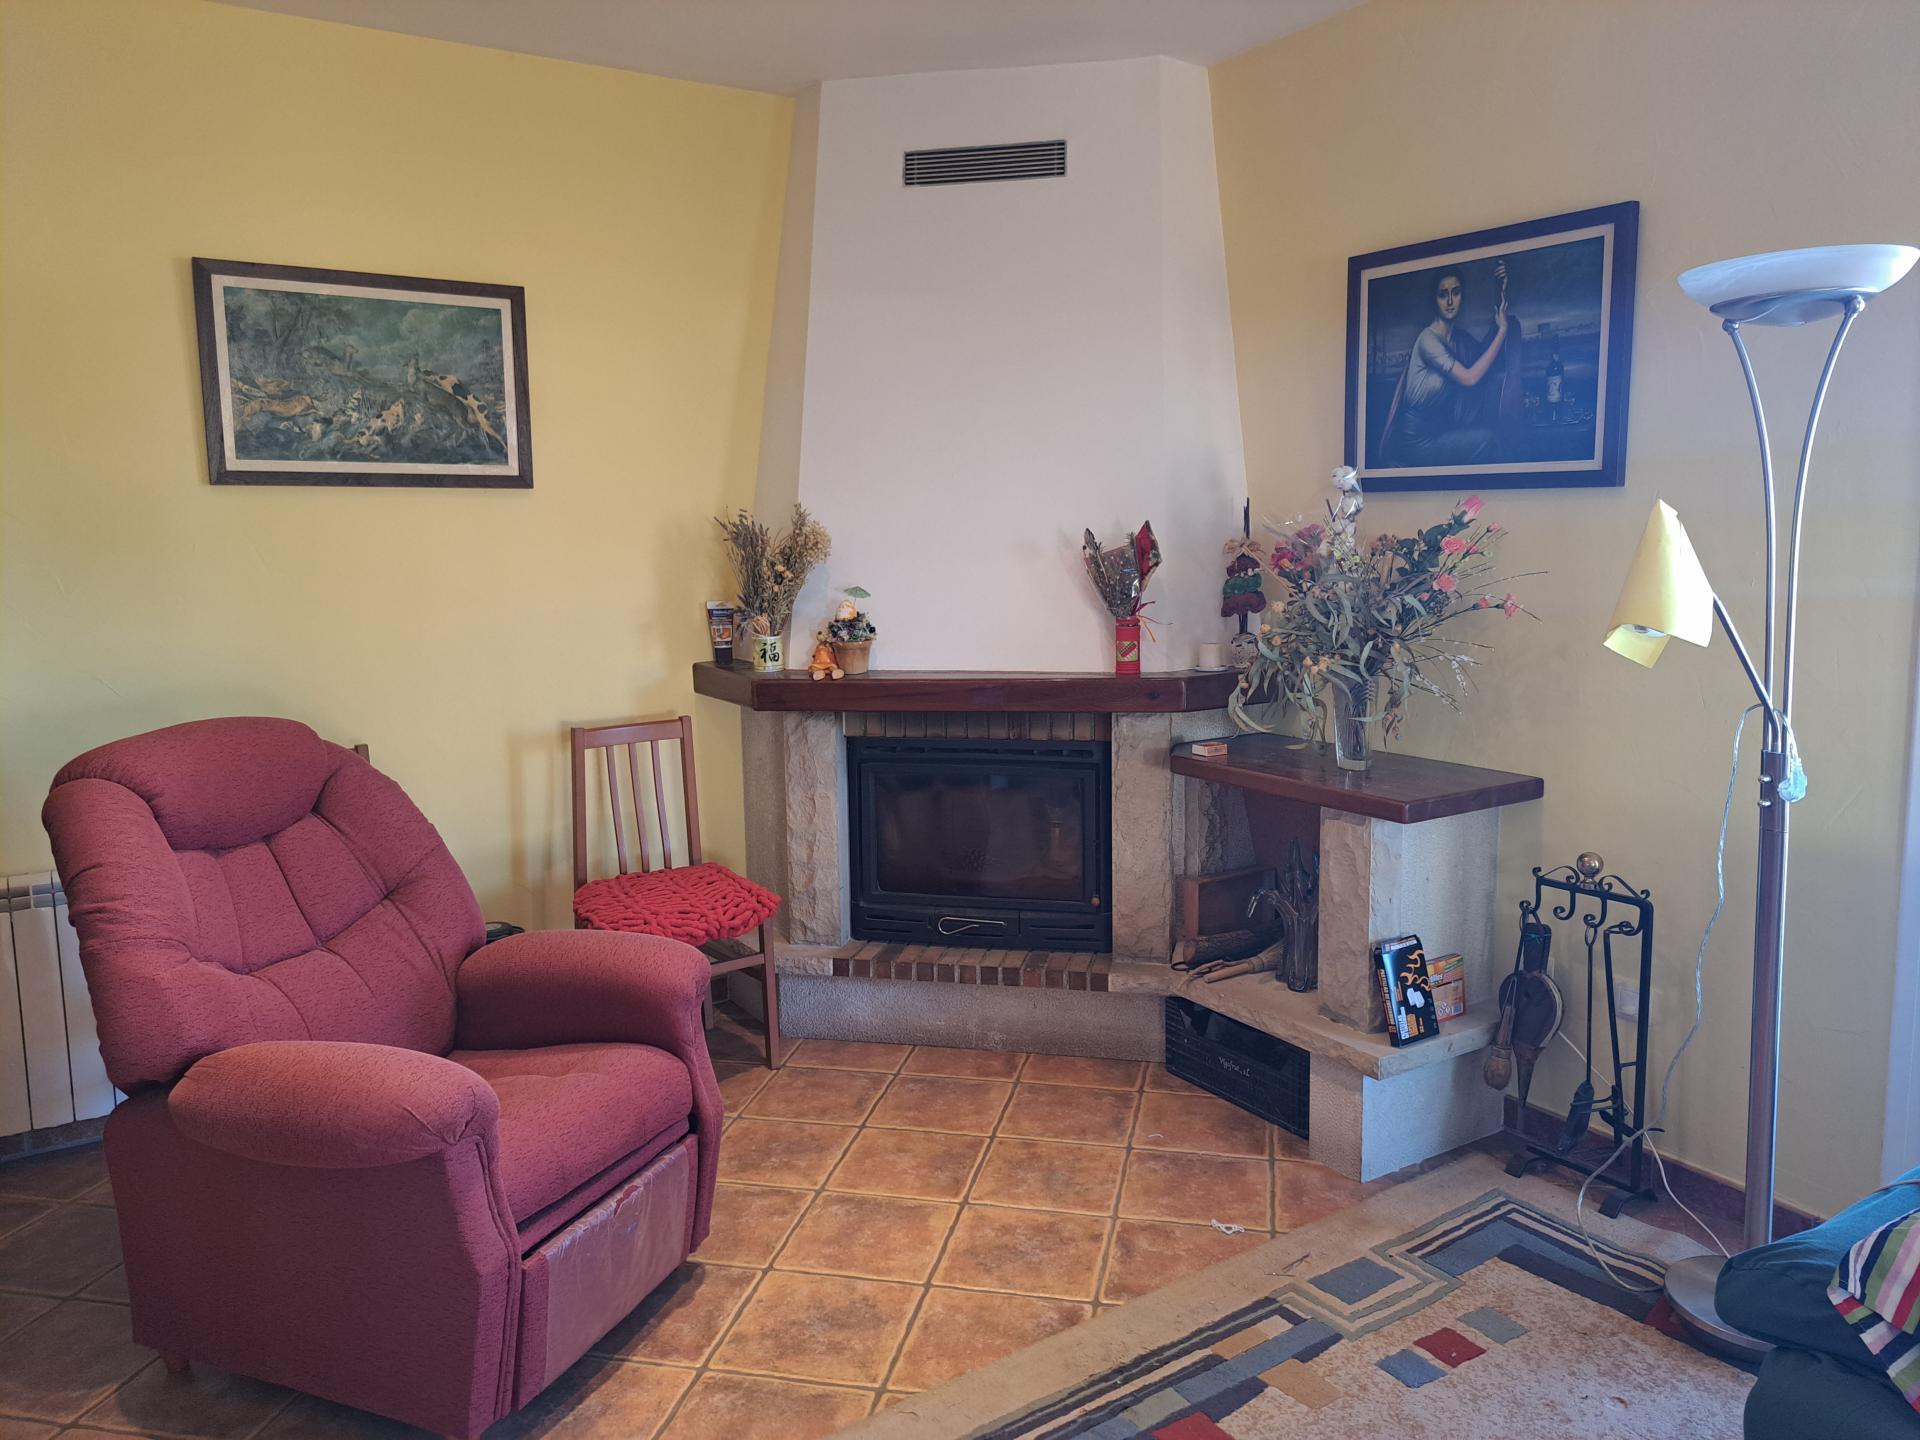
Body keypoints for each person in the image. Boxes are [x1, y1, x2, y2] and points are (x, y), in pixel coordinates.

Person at [1381, 262, 1519, 465]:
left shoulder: (1458, 339)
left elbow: (1486, 360)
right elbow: (1470, 378)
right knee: (1488, 440)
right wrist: (1502, 331)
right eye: (1443, 294)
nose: (1450, 301)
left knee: (1496, 436)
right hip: (1416, 441)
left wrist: (1501, 291)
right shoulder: (1428, 340)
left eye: (1456, 292)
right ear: (1434, 299)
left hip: (1439, 431)